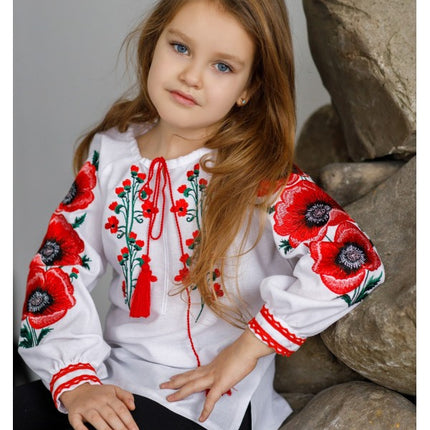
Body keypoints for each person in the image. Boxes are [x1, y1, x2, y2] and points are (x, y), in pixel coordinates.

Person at [16, 0, 385, 429]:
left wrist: (248, 348)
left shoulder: (259, 176)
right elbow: (57, 270)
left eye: (223, 67)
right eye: (181, 48)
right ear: (155, 43)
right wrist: (77, 380)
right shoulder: (110, 153)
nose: (191, 76)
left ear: (249, 88)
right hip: (114, 378)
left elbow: (353, 261)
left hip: (206, 399)